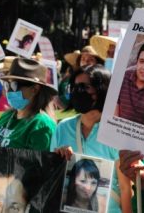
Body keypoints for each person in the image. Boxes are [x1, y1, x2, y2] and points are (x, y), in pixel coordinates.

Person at [51, 64, 132, 213]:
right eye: (74, 87)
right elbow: (52, 179)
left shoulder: (118, 132)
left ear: (102, 90)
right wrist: (58, 159)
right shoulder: (62, 128)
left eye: (85, 87)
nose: (78, 92)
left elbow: (126, 189)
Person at [0, 57, 57, 151]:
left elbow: (38, 163)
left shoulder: (42, 125)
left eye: (14, 85)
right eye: (7, 85)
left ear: (35, 89)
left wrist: (0, 150)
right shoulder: (7, 116)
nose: (8, 91)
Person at [115, 40, 144, 126]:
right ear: (137, 62)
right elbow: (114, 109)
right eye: (141, 61)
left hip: (140, 137)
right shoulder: (124, 77)